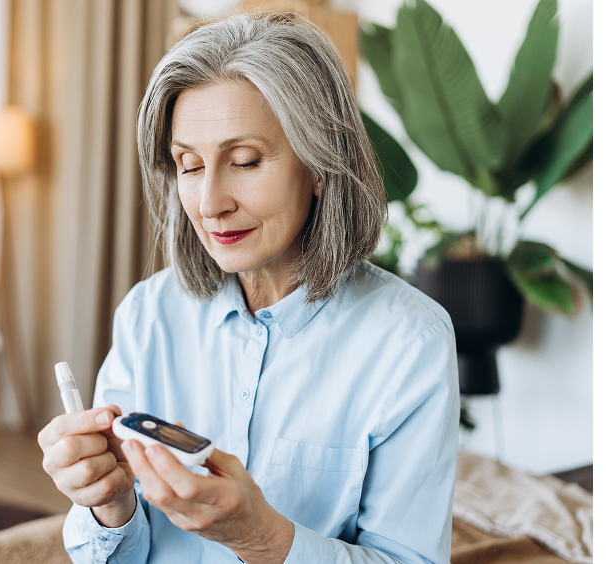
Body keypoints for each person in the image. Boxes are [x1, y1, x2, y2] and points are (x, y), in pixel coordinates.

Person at [38, 11, 459, 564]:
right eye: (190, 165)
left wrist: (262, 537)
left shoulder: (410, 343)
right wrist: (111, 505)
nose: (211, 203)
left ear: (320, 164)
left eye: (245, 161)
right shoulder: (148, 315)